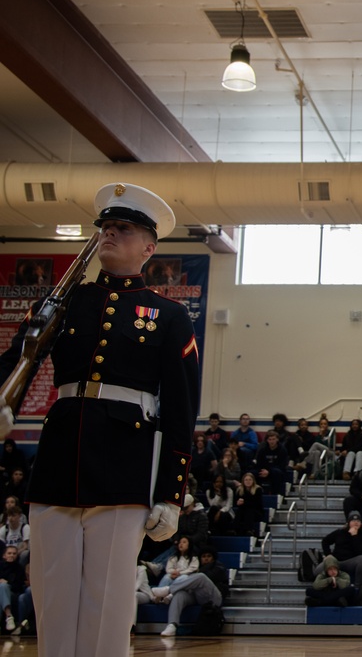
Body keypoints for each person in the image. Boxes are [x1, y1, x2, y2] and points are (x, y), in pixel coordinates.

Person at [0, 182, 199, 657]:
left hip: (123, 468)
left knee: (107, 604)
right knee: (53, 599)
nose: (110, 234)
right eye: (106, 227)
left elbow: (180, 410)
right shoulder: (65, 301)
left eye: (123, 228)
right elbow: (16, 359)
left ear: (148, 248)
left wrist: (170, 495)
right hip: (58, 463)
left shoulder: (170, 316)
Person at [158, 546, 229, 637]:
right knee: (180, 595)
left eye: (209, 556)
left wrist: (193, 574)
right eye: (203, 556)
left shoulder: (218, 567)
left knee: (201, 577)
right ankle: (172, 625)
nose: (206, 558)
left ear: (213, 557)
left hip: (214, 597)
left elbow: (208, 577)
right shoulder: (196, 568)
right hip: (198, 596)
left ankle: (169, 590)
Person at [321, 511, 362, 584]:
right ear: (348, 522)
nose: (356, 522)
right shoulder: (340, 532)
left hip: (351, 562)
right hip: (336, 561)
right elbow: (325, 541)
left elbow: (360, 552)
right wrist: (328, 554)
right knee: (317, 571)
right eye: (353, 520)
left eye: (358, 521)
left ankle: (358, 585)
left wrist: (354, 536)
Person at [0, 545, 25, 632]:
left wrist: (7, 583)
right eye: (9, 553)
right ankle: (8, 618)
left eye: (14, 553)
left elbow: (19, 587)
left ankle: (9, 616)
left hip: (12, 593)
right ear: (4, 555)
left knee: (3, 587)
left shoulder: (19, 568)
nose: (11, 555)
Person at [232, 472, 264, 537]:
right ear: (243, 481)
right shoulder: (239, 490)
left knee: (249, 510)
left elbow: (256, 504)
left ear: (253, 481)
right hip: (243, 511)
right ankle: (235, 529)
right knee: (240, 510)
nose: (248, 481)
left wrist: (244, 503)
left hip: (256, 511)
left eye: (250, 480)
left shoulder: (258, 489)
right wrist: (238, 503)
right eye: (246, 480)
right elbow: (237, 503)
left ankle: (249, 530)